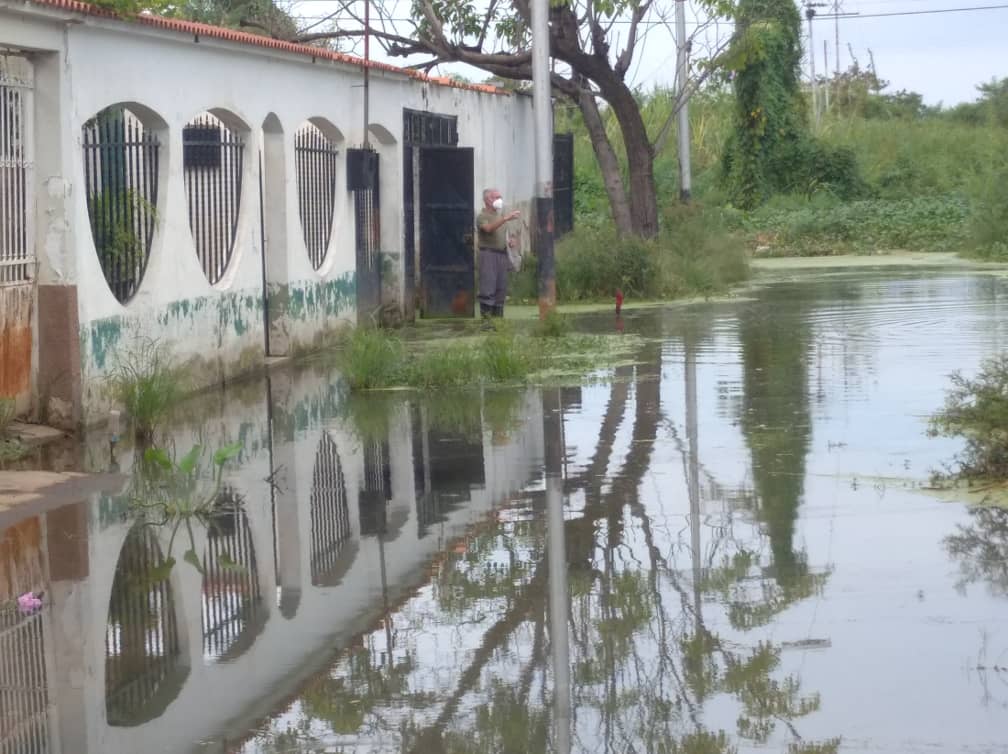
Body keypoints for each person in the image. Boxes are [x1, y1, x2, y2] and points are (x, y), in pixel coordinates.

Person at [476, 188, 520, 320]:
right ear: (487, 200)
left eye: (500, 197)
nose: (499, 200)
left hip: (502, 255)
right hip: (488, 255)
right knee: (487, 288)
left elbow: (506, 236)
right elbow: (488, 229)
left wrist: (512, 241)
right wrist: (506, 218)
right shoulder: (482, 217)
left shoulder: (500, 217)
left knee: (501, 289)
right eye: (495, 197)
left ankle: (498, 323)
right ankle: (487, 323)